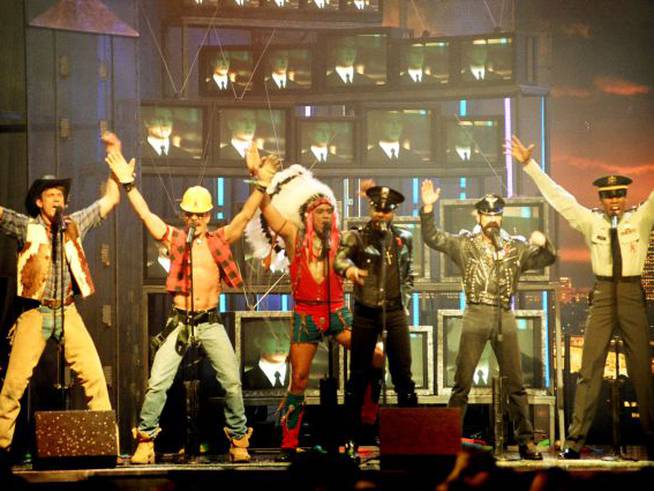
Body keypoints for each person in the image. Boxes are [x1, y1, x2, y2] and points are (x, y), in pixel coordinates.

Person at [105, 134, 279, 463]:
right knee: (158, 382)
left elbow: (243, 217)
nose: (195, 220)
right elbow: (147, 217)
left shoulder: (219, 239)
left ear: (209, 216)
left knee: (230, 380)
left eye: (200, 215)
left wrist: (260, 184)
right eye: (190, 214)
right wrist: (129, 186)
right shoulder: (175, 238)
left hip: (209, 322)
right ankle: (145, 440)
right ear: (184, 215)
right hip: (180, 322)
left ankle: (239, 440)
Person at [509, 135, 654, 460]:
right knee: (589, 370)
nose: (614, 201)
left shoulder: (640, 219)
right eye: (608, 197)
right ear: (601, 199)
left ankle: (652, 439)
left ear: (626, 196)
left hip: (631, 294)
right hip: (602, 295)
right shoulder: (591, 221)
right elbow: (561, 199)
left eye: (619, 195)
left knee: (643, 372)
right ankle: (575, 443)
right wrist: (529, 165)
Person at [247, 163, 384, 461]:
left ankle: (368, 418)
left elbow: (377, 231)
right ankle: (289, 441)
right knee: (298, 379)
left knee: (377, 355)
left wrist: (371, 200)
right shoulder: (294, 236)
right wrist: (260, 179)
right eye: (320, 211)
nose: (326, 215)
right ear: (309, 215)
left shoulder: (342, 239)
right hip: (307, 315)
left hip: (336, 313)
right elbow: (268, 211)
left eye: (328, 211)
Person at [0, 134, 121, 455]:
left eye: (60, 195)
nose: (57, 199)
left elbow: (109, 201)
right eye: (50, 194)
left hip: (66, 311)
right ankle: (0, 447)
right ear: (39, 201)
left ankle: (108, 446)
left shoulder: (74, 224)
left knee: (94, 377)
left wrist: (115, 161)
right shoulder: (27, 227)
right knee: (13, 385)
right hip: (36, 313)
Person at [420, 181, 556, 460]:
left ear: (501, 217)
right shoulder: (464, 244)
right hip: (475, 313)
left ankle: (525, 441)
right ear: (478, 216)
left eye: (497, 215)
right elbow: (433, 238)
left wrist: (545, 243)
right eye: (488, 215)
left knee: (515, 383)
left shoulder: (515, 248)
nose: (493, 220)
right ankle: (448, 439)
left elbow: (548, 258)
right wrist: (428, 208)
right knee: (462, 383)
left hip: (504, 313)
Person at [334, 185, 418, 455]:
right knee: (358, 375)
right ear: (371, 209)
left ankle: (409, 439)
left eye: (386, 210)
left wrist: (404, 302)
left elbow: (409, 275)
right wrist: (350, 271)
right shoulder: (357, 237)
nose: (381, 214)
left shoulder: (404, 238)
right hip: (366, 311)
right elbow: (338, 260)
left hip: (394, 313)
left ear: (393, 212)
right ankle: (350, 439)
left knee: (403, 374)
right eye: (377, 209)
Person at [243, 323, 291, 390]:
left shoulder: (302, 377)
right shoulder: (244, 380)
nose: (281, 343)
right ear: (258, 341)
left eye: (286, 336)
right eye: (273, 336)